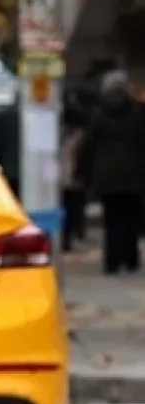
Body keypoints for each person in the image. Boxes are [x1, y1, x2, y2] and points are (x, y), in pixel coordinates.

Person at [75, 69, 145, 275]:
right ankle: (130, 259)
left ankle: (112, 261)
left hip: (107, 176)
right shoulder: (139, 113)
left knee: (112, 219)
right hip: (134, 175)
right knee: (131, 219)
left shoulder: (99, 114)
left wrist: (82, 173)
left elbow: (88, 146)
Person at [59, 92, 89, 252]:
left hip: (62, 176)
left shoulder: (58, 135)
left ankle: (66, 238)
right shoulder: (81, 136)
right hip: (75, 176)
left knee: (65, 207)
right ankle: (72, 235)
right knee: (73, 208)